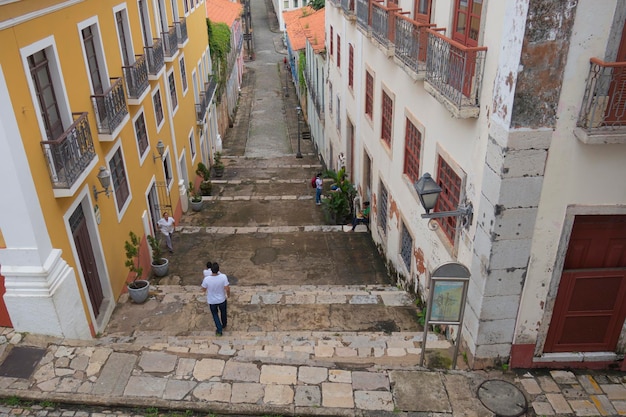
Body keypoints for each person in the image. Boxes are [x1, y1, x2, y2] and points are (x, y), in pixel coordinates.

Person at [201, 262, 230, 336]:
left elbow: (203, 289)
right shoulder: (223, 277)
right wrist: (228, 295)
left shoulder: (207, 279)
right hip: (222, 299)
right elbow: (227, 288)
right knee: (223, 312)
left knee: (215, 315)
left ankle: (219, 330)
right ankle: (224, 324)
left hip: (212, 300)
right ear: (218, 269)